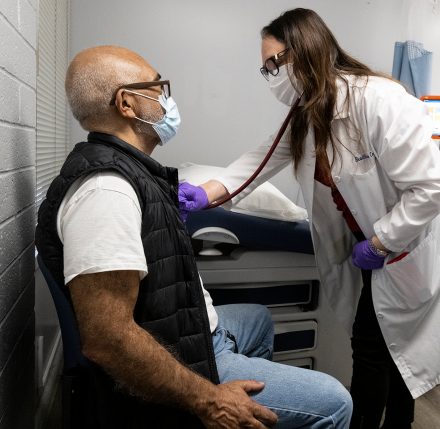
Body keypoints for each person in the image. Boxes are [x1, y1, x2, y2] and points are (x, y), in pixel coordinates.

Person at [35, 45, 352, 429]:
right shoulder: (107, 193)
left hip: (187, 329)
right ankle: (228, 409)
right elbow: (107, 338)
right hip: (184, 357)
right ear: (127, 104)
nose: (167, 98)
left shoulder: (134, 173)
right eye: (157, 87)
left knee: (257, 319)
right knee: (336, 402)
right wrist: (209, 400)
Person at [180, 9, 440, 429]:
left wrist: (383, 241)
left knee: (378, 351)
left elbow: (434, 186)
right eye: (265, 67)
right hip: (367, 249)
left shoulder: (378, 100)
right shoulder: (306, 114)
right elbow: (256, 164)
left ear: (306, 50)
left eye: (274, 63)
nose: (271, 74)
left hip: (407, 246)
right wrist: (207, 193)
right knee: (389, 350)